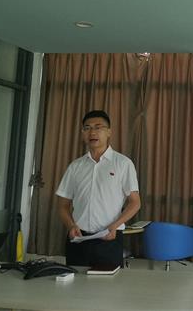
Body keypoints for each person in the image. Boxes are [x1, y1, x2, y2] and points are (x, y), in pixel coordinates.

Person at [56, 110, 141, 267]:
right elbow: (62, 205)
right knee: (76, 281)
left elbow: (135, 202)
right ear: (82, 133)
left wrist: (115, 226)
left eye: (98, 127)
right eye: (87, 128)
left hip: (109, 238)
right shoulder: (75, 166)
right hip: (79, 238)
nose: (92, 132)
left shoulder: (123, 164)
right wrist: (70, 226)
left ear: (109, 132)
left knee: (108, 283)